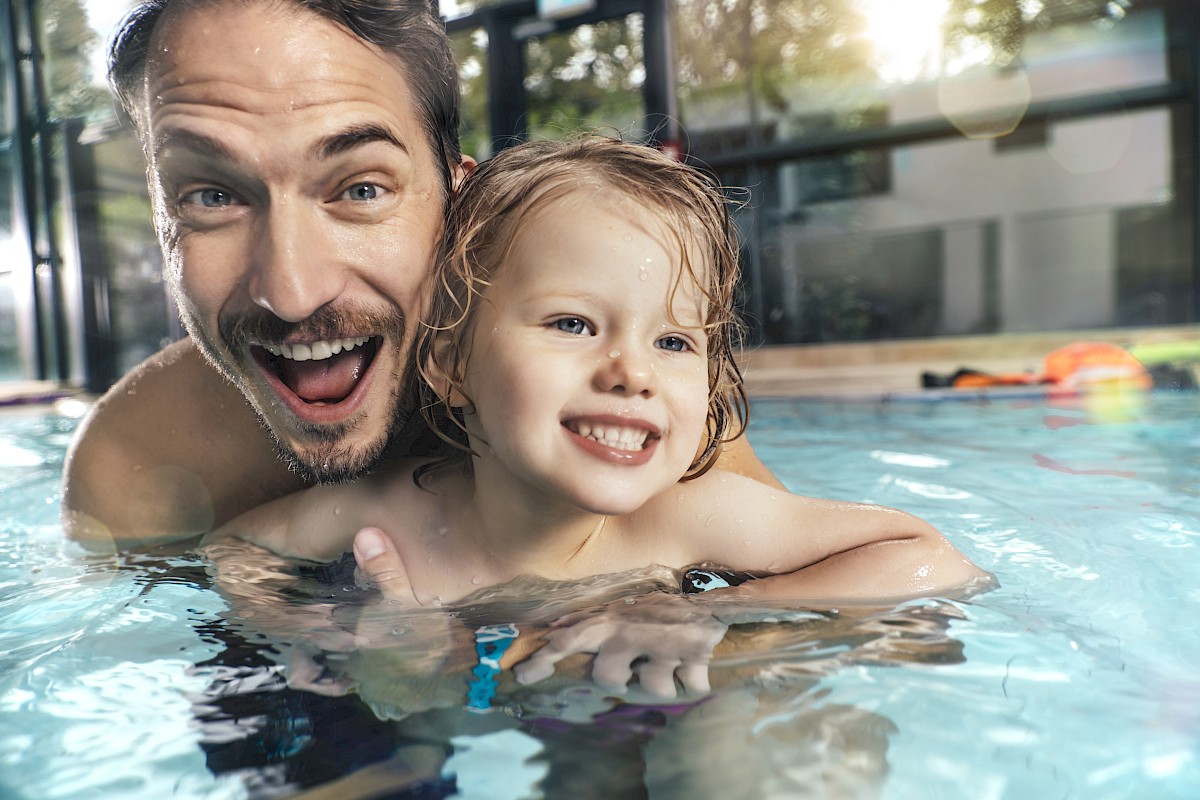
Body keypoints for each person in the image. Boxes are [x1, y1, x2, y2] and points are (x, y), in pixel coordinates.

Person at [59, 0, 780, 553]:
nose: (291, 291)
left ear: (463, 203)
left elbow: (809, 620)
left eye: (362, 188)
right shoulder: (138, 470)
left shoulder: (614, 393)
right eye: (211, 197)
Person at [213, 136, 989, 646]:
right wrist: (324, 634)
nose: (633, 371)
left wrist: (705, 615)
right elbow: (233, 550)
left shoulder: (683, 521)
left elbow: (931, 558)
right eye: (574, 325)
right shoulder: (393, 517)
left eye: (675, 342)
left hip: (652, 697)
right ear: (450, 363)